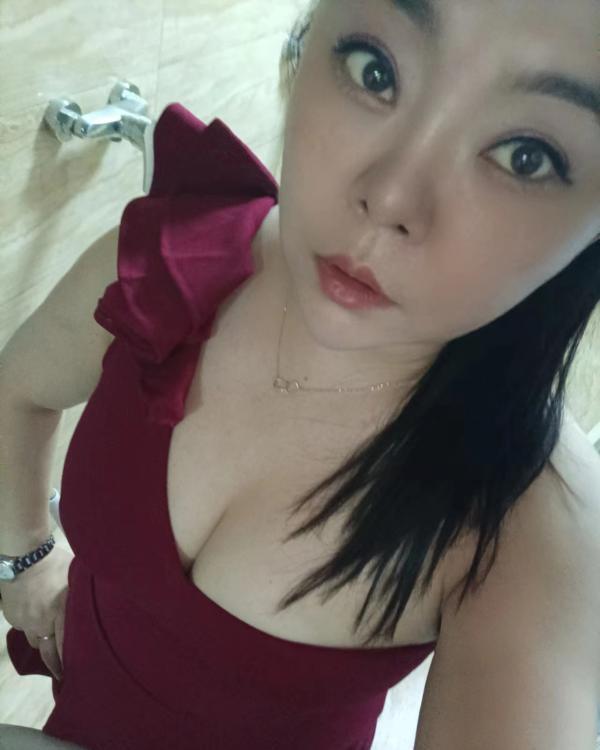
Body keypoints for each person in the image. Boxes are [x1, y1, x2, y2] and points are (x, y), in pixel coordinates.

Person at [1, 0, 599, 748]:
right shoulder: (175, 255)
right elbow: (17, 390)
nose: (388, 198)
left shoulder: (534, 529)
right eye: (375, 70)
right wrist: (24, 559)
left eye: (527, 156)